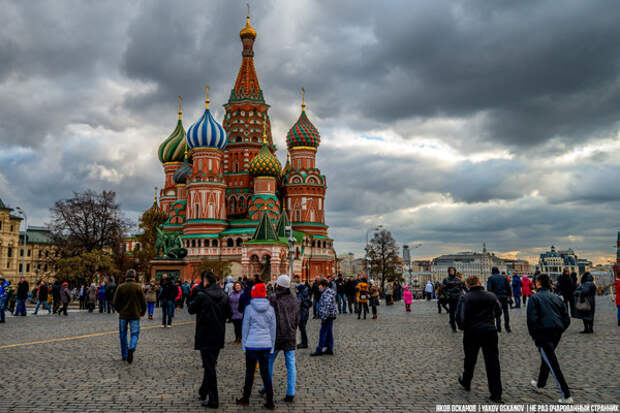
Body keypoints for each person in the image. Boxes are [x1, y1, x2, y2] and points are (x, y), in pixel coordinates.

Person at [456, 275, 503, 404]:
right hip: (489, 330)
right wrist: (489, 318)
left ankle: (466, 381)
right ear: (479, 282)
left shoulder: (465, 297)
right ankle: (496, 393)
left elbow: (459, 315)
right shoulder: (491, 296)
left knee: (470, 359)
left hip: (472, 331)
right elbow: (499, 311)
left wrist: (462, 327)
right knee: (493, 362)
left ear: (467, 285)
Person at [527, 273, 572, 404]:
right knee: (546, 358)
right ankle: (540, 383)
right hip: (556, 333)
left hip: (543, 334)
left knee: (552, 363)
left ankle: (566, 395)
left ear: (539, 283)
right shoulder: (557, 298)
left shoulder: (534, 298)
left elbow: (531, 319)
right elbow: (566, 318)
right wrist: (560, 329)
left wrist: (535, 336)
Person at [188, 271, 231, 409]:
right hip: (218, 334)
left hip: (205, 334)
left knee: (209, 366)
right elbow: (229, 314)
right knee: (210, 363)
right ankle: (203, 390)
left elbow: (190, 309)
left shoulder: (202, 295)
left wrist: (196, 293)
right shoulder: (224, 295)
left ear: (206, 281)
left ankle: (214, 399)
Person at [236, 282, 276, 410]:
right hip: (265, 345)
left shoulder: (249, 308)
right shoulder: (270, 309)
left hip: (251, 345)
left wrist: (244, 346)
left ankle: (246, 398)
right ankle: (270, 401)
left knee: (249, 373)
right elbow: (273, 330)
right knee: (265, 374)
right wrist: (272, 346)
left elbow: (245, 329)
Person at [262, 275, 299, 403]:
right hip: (290, 335)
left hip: (275, 336)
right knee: (290, 364)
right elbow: (297, 318)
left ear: (278, 285)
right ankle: (290, 393)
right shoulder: (294, 299)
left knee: (269, 362)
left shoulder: (273, 298)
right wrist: (293, 328)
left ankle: (266, 387)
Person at [112, 269, 146, 364]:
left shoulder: (121, 287)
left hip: (123, 315)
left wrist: (120, 310)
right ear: (134, 277)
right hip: (135, 314)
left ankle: (124, 355)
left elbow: (115, 302)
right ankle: (131, 347)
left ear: (126, 277)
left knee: (123, 335)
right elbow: (143, 302)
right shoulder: (138, 287)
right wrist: (142, 311)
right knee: (134, 334)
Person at [311, 279, 338, 356]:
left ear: (323, 286)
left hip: (327, 316)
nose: (318, 287)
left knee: (323, 332)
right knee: (329, 332)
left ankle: (319, 349)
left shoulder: (326, 294)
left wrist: (323, 317)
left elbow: (326, 306)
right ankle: (329, 348)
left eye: (319, 285)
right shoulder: (328, 292)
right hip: (330, 315)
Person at [486, 267, 512, 333]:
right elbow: (508, 288)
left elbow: (489, 289)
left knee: (497, 312)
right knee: (506, 311)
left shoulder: (490, 278)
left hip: (496, 297)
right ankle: (507, 327)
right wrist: (509, 296)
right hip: (504, 296)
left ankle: (498, 327)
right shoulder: (504, 277)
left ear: (492, 271)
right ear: (498, 271)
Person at [442, 267, 465, 332]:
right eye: (450, 271)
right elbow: (443, 289)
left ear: (455, 271)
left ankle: (460, 326)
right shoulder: (446, 280)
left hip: (458, 297)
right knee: (452, 313)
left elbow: (462, 287)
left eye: (453, 271)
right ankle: (453, 327)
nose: (452, 272)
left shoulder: (458, 279)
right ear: (448, 272)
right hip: (451, 297)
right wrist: (447, 295)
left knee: (458, 312)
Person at [296, 282, 312, 349]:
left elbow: (298, 304)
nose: (296, 290)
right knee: (303, 329)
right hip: (306, 313)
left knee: (302, 329)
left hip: (302, 313)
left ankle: (304, 343)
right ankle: (303, 342)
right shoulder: (306, 293)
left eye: (297, 289)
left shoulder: (300, 295)